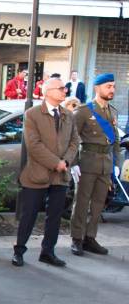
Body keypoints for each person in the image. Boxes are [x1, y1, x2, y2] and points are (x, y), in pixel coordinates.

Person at [12, 77, 79, 267]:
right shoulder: (32, 114)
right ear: (48, 92)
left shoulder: (68, 115)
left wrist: (66, 161)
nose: (65, 91)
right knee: (29, 215)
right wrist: (56, 162)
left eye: (65, 88)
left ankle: (48, 252)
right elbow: (34, 145)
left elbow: (75, 141)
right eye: (61, 88)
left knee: (54, 216)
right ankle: (19, 251)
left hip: (60, 176)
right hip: (37, 174)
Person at [70, 73, 121, 256]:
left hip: (105, 164)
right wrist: (73, 163)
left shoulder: (112, 111)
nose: (112, 90)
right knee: (82, 202)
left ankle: (90, 237)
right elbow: (72, 137)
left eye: (113, 86)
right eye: (108, 86)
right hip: (87, 162)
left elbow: (115, 140)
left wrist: (116, 162)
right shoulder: (84, 111)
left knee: (99, 203)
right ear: (97, 88)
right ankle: (77, 238)